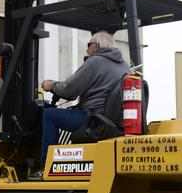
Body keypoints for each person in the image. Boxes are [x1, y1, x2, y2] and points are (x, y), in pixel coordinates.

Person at [38, 30, 128, 168]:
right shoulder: (124, 66)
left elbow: (69, 90)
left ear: (96, 46)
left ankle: (46, 165)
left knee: (50, 115)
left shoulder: (95, 61)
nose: (87, 49)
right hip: (112, 121)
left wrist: (52, 85)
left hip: (93, 119)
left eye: (88, 45)